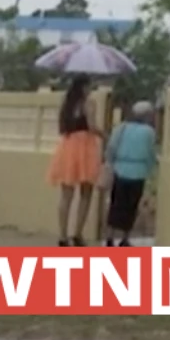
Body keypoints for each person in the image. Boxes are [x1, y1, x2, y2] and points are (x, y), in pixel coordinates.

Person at [47, 76, 105, 247]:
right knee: (86, 193)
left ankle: (62, 236)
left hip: (68, 146)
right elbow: (92, 126)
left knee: (66, 195)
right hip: (85, 146)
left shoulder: (67, 105)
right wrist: (105, 135)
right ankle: (77, 234)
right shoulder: (89, 104)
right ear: (84, 87)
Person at [101, 101, 159, 247]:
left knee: (116, 205)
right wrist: (151, 169)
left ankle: (110, 237)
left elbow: (111, 147)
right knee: (131, 207)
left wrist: (110, 163)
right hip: (138, 173)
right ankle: (125, 238)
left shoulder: (121, 128)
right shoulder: (149, 132)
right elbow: (150, 153)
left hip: (120, 170)